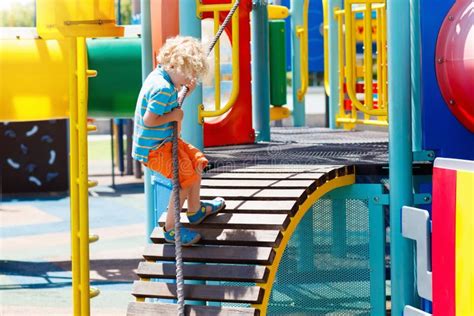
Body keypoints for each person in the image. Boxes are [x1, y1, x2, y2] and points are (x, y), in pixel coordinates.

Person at [132, 36, 225, 246]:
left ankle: (194, 210)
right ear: (174, 64)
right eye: (188, 73)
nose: (189, 78)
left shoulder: (162, 76)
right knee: (184, 179)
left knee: (198, 161)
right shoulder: (162, 88)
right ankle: (171, 229)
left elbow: (168, 105)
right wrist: (174, 117)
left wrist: (186, 93)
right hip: (154, 149)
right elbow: (149, 120)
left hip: (165, 141)